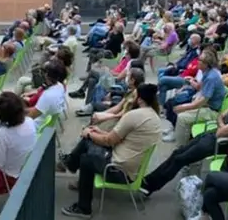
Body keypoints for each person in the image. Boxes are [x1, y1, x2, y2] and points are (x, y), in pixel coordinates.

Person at [58, 83, 162, 218]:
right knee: (89, 141)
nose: (131, 98)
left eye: (134, 96)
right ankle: (71, 164)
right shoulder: (153, 116)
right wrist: (98, 132)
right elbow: (119, 139)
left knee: (86, 159)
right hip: (129, 166)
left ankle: (84, 208)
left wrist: (89, 134)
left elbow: (109, 141)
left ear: (140, 99)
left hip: (119, 170)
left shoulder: (134, 115)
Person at [140, 78, 228, 197]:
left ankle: (149, 186)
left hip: (222, 144)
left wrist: (222, 126)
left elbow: (221, 131)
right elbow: (220, 117)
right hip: (213, 135)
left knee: (180, 159)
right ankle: (147, 181)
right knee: (177, 152)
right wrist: (223, 125)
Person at [164, 48, 227, 145]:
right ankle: (182, 139)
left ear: (206, 64)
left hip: (212, 111)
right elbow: (201, 89)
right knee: (180, 106)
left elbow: (203, 101)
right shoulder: (208, 72)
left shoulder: (211, 77)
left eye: (200, 60)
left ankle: (180, 147)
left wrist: (185, 107)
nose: (197, 61)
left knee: (182, 117)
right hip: (207, 105)